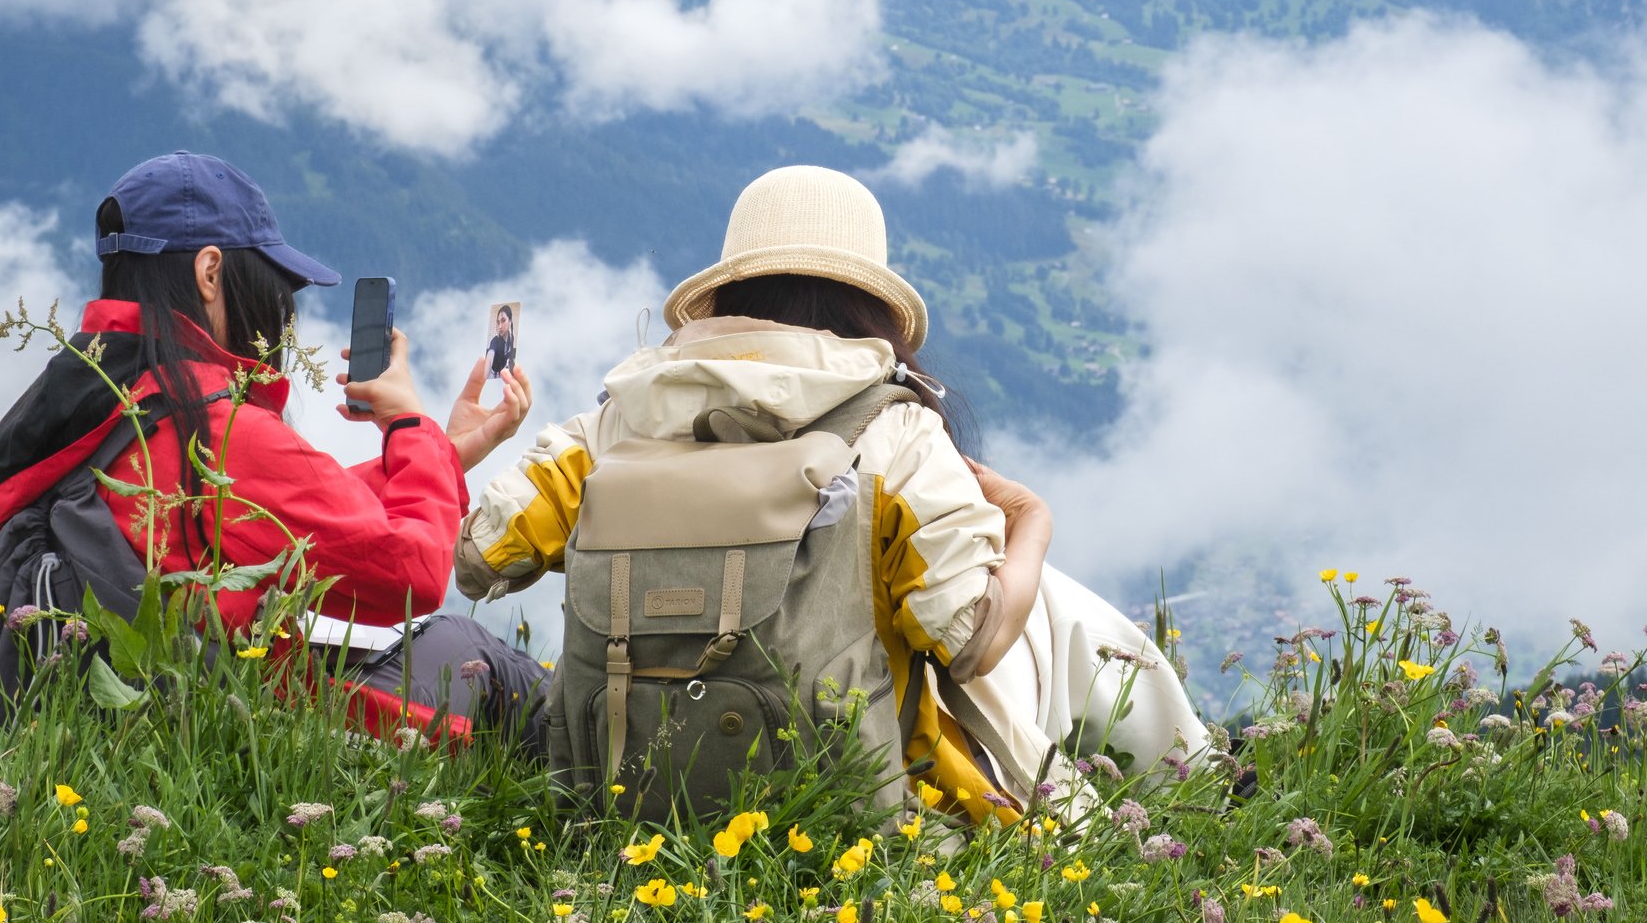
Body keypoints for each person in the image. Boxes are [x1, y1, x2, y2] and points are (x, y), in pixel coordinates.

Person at [455, 164, 1204, 820]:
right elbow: (970, 637)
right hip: (850, 807)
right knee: (1042, 602)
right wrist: (1032, 524)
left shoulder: (615, 423)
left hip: (616, 801)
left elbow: (479, 554)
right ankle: (1200, 771)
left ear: (730, 289)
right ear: (868, 304)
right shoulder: (895, 429)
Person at [0, 151, 548, 745]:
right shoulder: (213, 425)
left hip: (133, 717)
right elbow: (409, 574)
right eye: (271, 286)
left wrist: (440, 454)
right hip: (257, 726)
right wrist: (408, 422)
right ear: (211, 272)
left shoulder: (100, 400)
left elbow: (285, 518)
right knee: (476, 653)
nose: (277, 314)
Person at [486, 303, 518, 379]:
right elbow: (490, 356)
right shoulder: (495, 341)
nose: (500, 326)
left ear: (510, 321)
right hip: (494, 376)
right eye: (498, 322)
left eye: (503, 321)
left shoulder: (511, 337)